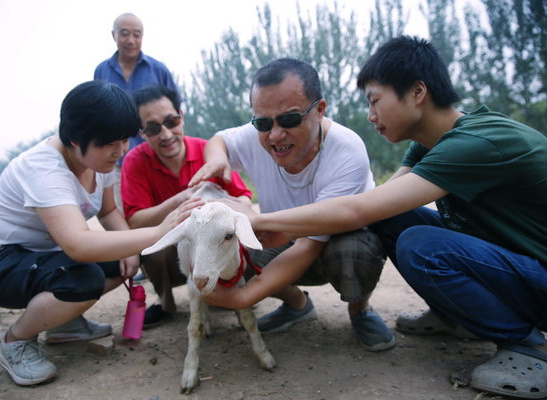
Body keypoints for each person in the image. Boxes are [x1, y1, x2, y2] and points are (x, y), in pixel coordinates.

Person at [204, 37, 547, 399]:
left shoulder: (476, 143)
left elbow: (356, 210)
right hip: (518, 267)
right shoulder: (433, 143)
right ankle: (455, 315)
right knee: (394, 220)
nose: (371, 115)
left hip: (538, 274)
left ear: (417, 92)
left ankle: (528, 348)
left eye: (375, 100)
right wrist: (275, 222)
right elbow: (375, 204)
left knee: (422, 246)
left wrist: (255, 221)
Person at [0, 81, 201, 387]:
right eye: (109, 143)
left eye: (124, 140)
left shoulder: (102, 162)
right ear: (75, 139)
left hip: (39, 256)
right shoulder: (44, 168)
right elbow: (78, 245)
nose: (121, 151)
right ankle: (16, 341)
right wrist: (160, 232)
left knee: (119, 263)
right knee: (83, 280)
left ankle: (62, 324)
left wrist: (129, 250)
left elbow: (109, 211)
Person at [189, 58, 395, 352]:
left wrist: (243, 299)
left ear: (320, 110)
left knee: (354, 251)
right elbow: (219, 140)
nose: (275, 135)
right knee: (237, 246)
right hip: (285, 239)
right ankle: (297, 304)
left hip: (336, 242)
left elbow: (309, 245)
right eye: (262, 122)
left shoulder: (346, 151)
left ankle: (360, 310)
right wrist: (217, 159)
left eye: (289, 119)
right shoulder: (257, 136)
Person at [120, 84, 252, 327]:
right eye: (153, 128)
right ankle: (166, 302)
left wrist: (223, 207)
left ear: (182, 116)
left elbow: (244, 198)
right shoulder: (134, 162)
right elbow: (135, 221)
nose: (166, 134)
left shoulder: (206, 150)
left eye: (171, 122)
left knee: (241, 237)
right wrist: (179, 200)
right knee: (151, 248)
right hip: (172, 243)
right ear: (142, 133)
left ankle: (228, 293)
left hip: (212, 237)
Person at [94, 12, 180, 213]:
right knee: (125, 214)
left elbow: (174, 111)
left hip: (156, 157)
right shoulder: (101, 72)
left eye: (137, 34)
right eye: (124, 34)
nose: (131, 40)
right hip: (117, 159)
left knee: (160, 211)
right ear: (113, 35)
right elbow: (98, 114)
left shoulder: (158, 70)